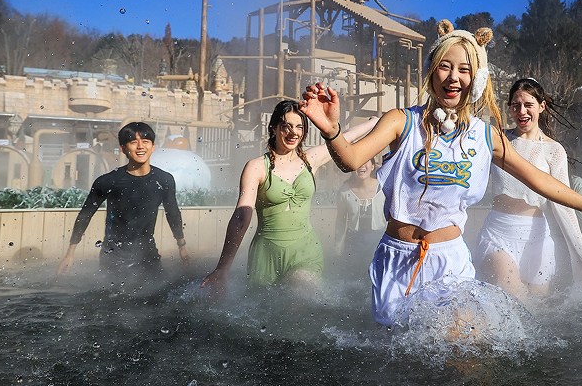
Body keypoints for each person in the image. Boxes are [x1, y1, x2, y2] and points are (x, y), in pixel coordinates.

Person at [299, 19, 582, 326]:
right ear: (432, 72)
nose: (453, 77)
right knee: (402, 361)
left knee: (463, 340)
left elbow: (542, 181)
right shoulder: (402, 121)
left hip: (450, 261)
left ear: (477, 79)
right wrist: (331, 131)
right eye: (445, 66)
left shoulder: (486, 136)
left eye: (464, 69)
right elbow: (352, 160)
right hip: (398, 259)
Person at [200, 100, 375, 296]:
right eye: (287, 126)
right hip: (266, 254)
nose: (294, 132)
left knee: (301, 295)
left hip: (305, 251)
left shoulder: (311, 160)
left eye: (300, 126)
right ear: (274, 128)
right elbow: (241, 218)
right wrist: (222, 268)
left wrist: (375, 123)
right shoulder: (256, 167)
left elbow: (345, 138)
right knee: (266, 313)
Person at [477, 78, 582, 301]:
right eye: (516, 105)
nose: (522, 111)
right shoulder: (499, 140)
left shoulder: (553, 150)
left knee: (535, 315)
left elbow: (562, 205)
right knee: (515, 300)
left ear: (541, 106)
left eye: (528, 105)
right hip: (498, 233)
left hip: (536, 239)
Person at [57, 121, 189, 275]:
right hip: (115, 257)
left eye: (145, 142)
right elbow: (85, 215)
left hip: (148, 254)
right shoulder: (108, 181)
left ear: (153, 147)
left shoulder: (164, 180)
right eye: (134, 142)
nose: (140, 147)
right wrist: (70, 254)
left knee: (158, 294)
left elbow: (172, 213)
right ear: (123, 149)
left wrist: (182, 247)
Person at [335, 157, 386, 265]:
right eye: (357, 163)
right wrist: (337, 247)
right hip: (353, 242)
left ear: (372, 166)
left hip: (378, 240)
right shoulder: (345, 191)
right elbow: (341, 220)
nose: (361, 166)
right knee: (352, 277)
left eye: (365, 162)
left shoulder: (383, 188)